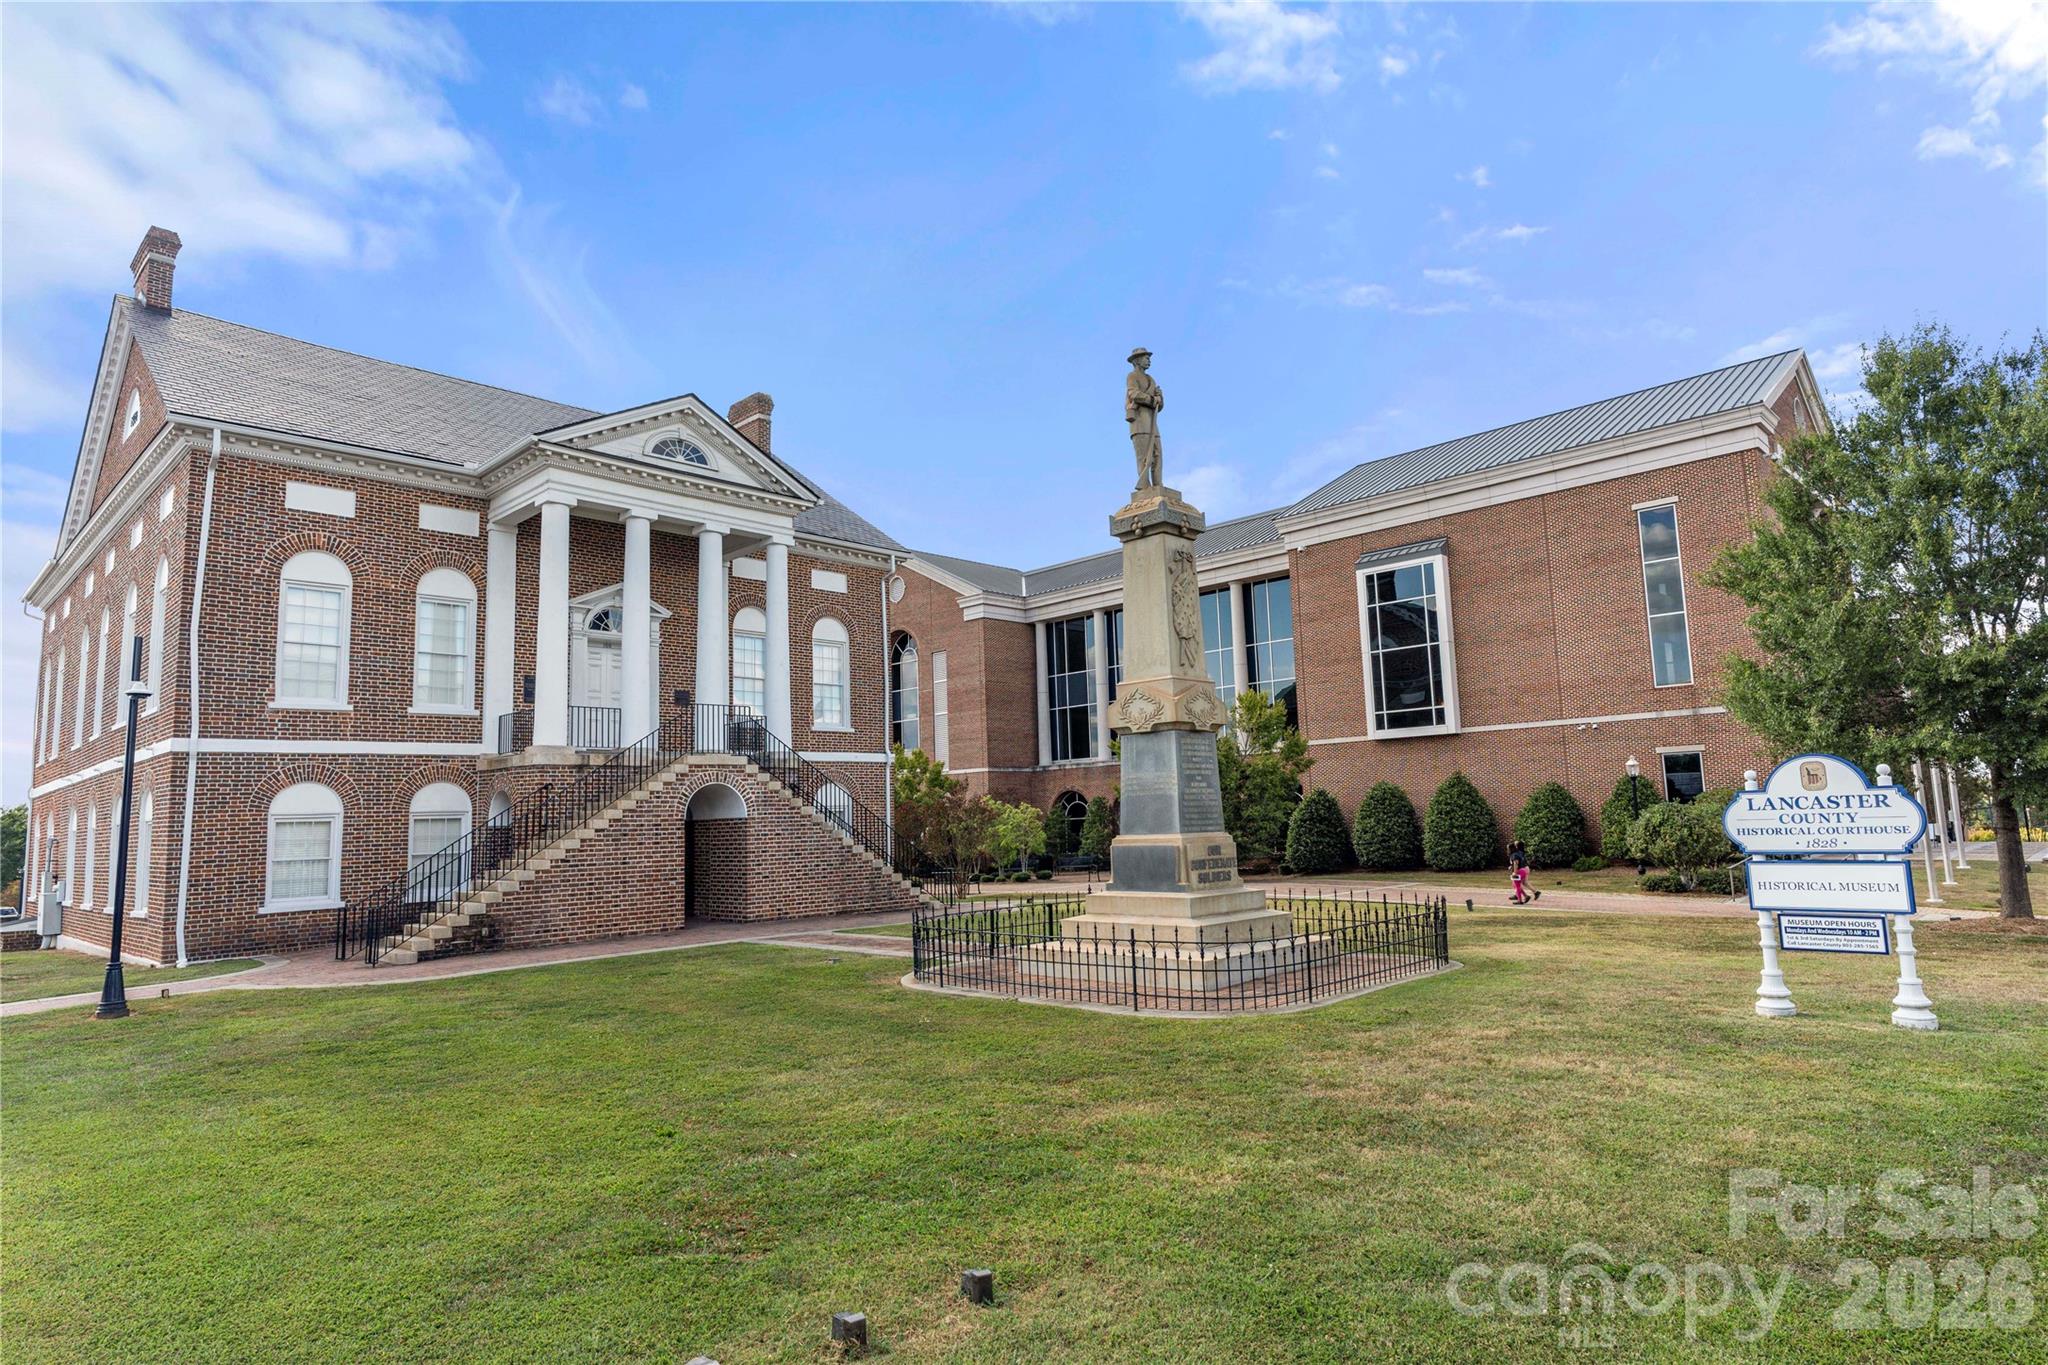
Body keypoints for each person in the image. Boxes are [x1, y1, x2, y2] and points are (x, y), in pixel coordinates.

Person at [1508, 839, 1541, 905]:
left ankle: (1532, 893)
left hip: (1523, 868)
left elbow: (1516, 863)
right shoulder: (1520, 852)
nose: (1514, 844)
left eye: (1515, 844)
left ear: (1517, 846)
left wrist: (1514, 870)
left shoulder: (1517, 853)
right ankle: (1519, 895)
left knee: (1520, 883)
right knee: (1520, 883)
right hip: (1524, 868)